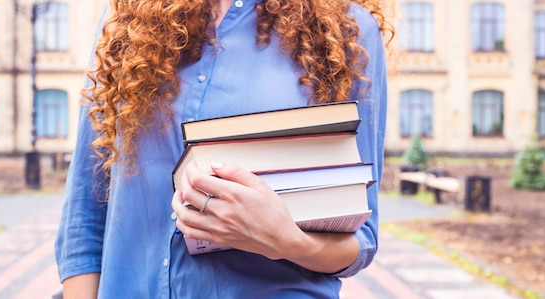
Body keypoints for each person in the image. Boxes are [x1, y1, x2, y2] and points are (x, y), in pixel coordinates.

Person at [55, 0, 394, 297]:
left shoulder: (350, 29)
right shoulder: (125, 20)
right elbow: (85, 217)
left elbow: (361, 240)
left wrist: (283, 239)